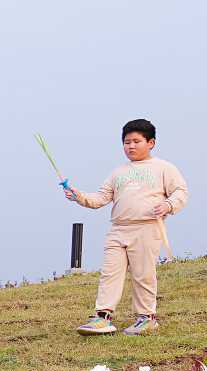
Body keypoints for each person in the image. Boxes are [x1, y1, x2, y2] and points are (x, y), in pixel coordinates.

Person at [68, 118, 189, 336]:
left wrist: (168, 205)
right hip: (118, 229)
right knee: (109, 273)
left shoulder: (164, 168)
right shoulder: (118, 172)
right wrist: (79, 196)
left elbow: (180, 192)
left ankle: (147, 318)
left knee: (143, 274)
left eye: (136, 141)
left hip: (147, 228)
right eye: (126, 142)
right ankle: (102, 317)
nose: (131, 146)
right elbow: (101, 197)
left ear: (150, 142)